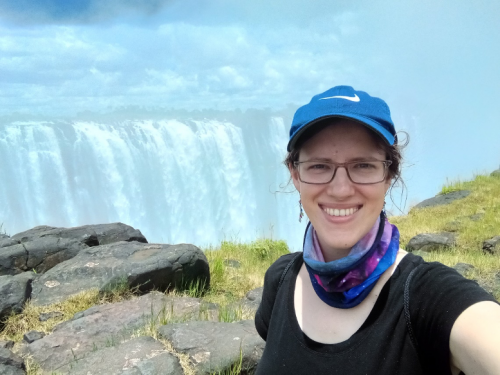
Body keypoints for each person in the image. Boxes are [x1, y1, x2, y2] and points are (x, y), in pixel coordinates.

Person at [254, 85, 500, 375]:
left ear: (389, 175)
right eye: (319, 166)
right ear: (296, 175)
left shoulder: (429, 299)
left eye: (363, 165)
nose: (341, 189)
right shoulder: (280, 281)